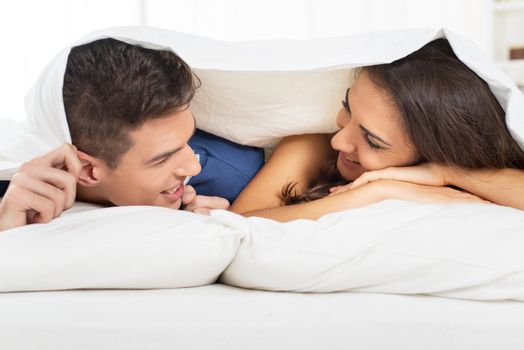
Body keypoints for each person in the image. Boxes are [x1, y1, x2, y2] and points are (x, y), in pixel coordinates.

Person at [230, 38, 524, 221]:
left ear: (433, 152)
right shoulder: (314, 143)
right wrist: (373, 194)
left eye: (372, 141)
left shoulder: (452, 169)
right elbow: (239, 225)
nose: (338, 141)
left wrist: (446, 172)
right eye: (348, 106)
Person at [0, 38, 264, 231]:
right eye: (162, 160)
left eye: (188, 138)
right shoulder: (16, 188)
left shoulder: (233, 173)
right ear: (87, 170)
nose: (192, 166)